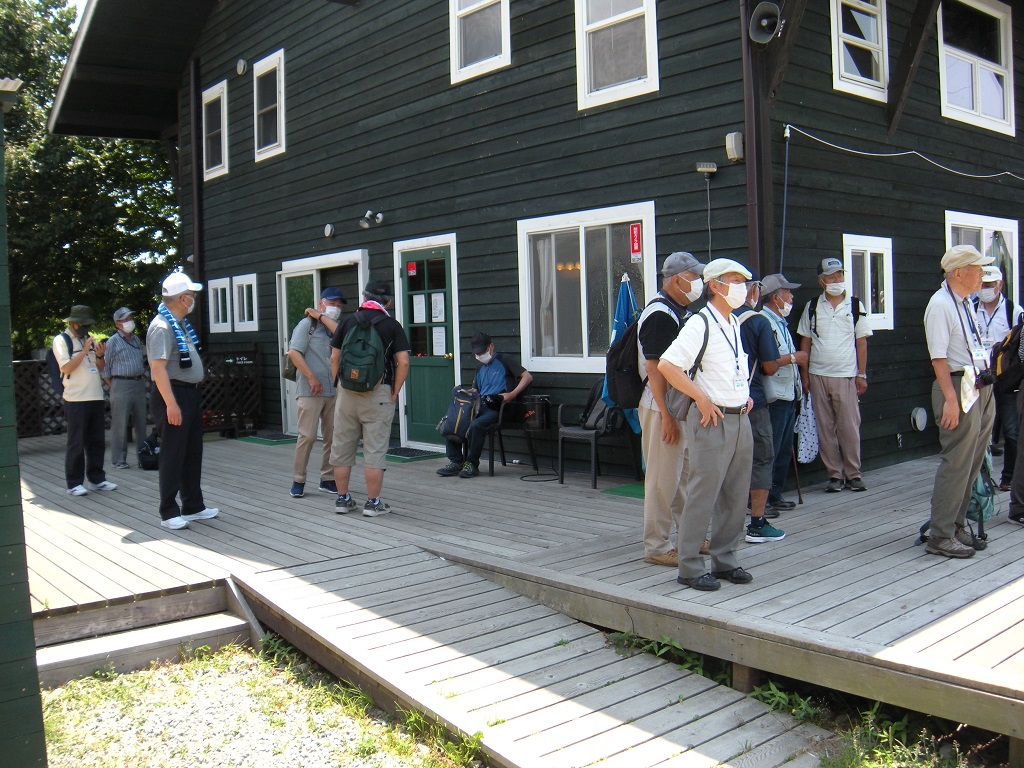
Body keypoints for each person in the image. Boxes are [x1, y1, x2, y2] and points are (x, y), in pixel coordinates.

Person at [659, 258, 755, 592]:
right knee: (703, 493)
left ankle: (725, 559)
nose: (743, 288)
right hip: (712, 419)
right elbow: (668, 365)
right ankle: (689, 566)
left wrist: (744, 394)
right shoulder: (700, 323)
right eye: (736, 281)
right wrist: (700, 398)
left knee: (735, 494)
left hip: (739, 416)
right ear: (715, 285)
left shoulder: (733, 321)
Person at [923, 245, 996, 557]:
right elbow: (938, 359)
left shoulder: (964, 302)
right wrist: (950, 400)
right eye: (977, 269)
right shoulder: (941, 304)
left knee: (972, 462)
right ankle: (940, 534)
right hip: (957, 386)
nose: (982, 275)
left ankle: (955, 524)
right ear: (958, 273)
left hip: (977, 385)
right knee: (957, 462)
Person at [636, 251, 704, 566]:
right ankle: (657, 545)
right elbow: (654, 368)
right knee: (663, 479)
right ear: (677, 280)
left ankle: (689, 535)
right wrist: (666, 416)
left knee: (682, 477)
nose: (699, 282)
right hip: (661, 405)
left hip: (677, 405)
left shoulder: (677, 311)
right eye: (694, 276)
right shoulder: (661, 314)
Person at [330, 279, 410, 517]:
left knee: (342, 448)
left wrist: (340, 385)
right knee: (374, 451)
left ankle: (342, 499)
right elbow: (403, 362)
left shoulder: (347, 322)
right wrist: (394, 391)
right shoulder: (391, 325)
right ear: (389, 302)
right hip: (379, 393)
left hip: (346, 393)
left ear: (364, 297)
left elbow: (334, 358)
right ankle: (373, 503)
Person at [147, 273, 219, 530]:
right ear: (181, 298)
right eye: (191, 295)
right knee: (173, 453)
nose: (194, 299)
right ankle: (168, 511)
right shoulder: (162, 327)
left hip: (188, 393)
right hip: (173, 394)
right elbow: (158, 369)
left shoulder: (179, 324)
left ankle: (193, 505)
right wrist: (171, 404)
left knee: (191, 451)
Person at [796, 257, 872, 492]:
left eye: (839, 274)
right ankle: (834, 475)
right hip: (817, 375)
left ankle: (853, 474)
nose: (837, 280)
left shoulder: (855, 306)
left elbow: (861, 343)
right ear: (821, 281)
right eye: (831, 276)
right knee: (825, 427)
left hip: (846, 375)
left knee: (849, 426)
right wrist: (805, 375)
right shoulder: (812, 307)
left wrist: (861, 375)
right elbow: (805, 341)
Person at [437, 331, 533, 479]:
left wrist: (512, 394)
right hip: (481, 405)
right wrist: (464, 392)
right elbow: (476, 390)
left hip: (501, 407)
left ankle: (472, 463)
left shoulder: (504, 360)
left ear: (491, 347)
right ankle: (456, 461)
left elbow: (527, 377)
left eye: (483, 352)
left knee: (477, 424)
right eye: (477, 353)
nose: (480, 355)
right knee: (454, 420)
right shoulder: (480, 368)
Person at [735, 277, 785, 544]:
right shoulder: (758, 321)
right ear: (753, 289)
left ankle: (724, 525)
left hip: (716, 403)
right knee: (762, 458)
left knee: (724, 463)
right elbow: (769, 366)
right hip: (753, 400)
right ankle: (757, 523)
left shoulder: (710, 319)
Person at [287, 287, 346, 497]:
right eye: (331, 303)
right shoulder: (307, 325)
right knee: (307, 436)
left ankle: (327, 478)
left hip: (334, 390)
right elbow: (294, 352)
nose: (335, 308)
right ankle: (298, 479)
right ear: (321, 303)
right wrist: (311, 377)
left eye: (338, 305)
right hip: (309, 390)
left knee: (333, 436)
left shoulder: (337, 328)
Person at [54, 305, 117, 497]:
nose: (86, 328)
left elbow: (99, 368)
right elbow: (66, 368)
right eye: (83, 324)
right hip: (76, 399)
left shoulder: (89, 339)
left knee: (97, 441)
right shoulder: (61, 340)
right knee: (77, 442)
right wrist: (83, 351)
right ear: (73, 323)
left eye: (88, 324)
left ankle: (97, 479)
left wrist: (99, 355)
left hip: (95, 396)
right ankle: (74, 483)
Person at [759, 274, 807, 512]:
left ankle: (775, 494)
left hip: (789, 393)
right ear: (775, 297)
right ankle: (762, 498)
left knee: (784, 448)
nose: (791, 297)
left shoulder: (781, 322)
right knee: (771, 448)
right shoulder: (763, 322)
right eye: (787, 292)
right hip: (775, 395)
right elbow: (767, 361)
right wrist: (794, 358)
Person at [974, 266, 1021, 491]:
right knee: (978, 430)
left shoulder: (1014, 311)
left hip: (1005, 378)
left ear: (1000, 285)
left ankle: (1009, 477)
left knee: (1011, 430)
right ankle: (978, 479)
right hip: (979, 376)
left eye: (989, 285)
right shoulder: (971, 308)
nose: (985, 289)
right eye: (982, 284)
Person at [105, 307, 148, 470]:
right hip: (120, 383)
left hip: (138, 382)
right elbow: (105, 369)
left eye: (130, 318)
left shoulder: (136, 339)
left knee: (141, 422)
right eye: (125, 319)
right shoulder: (113, 341)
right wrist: (115, 386)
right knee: (120, 424)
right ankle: (118, 459)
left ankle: (144, 457)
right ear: (117, 323)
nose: (130, 321)